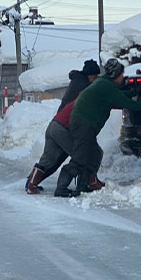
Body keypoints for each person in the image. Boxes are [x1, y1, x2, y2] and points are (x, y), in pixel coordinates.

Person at [54, 58, 141, 197]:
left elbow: (119, 95)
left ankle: (84, 184)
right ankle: (61, 188)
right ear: (115, 74)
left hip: (83, 123)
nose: (122, 77)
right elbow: (126, 103)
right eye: (121, 74)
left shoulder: (103, 82)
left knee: (95, 154)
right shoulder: (106, 86)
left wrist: (134, 92)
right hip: (83, 124)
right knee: (81, 157)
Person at [25, 59, 100, 194]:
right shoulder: (84, 86)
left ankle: (31, 184)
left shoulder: (77, 81)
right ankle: (80, 184)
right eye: (95, 77)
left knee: (48, 159)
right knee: (81, 154)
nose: (95, 80)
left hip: (56, 123)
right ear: (91, 75)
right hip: (65, 126)